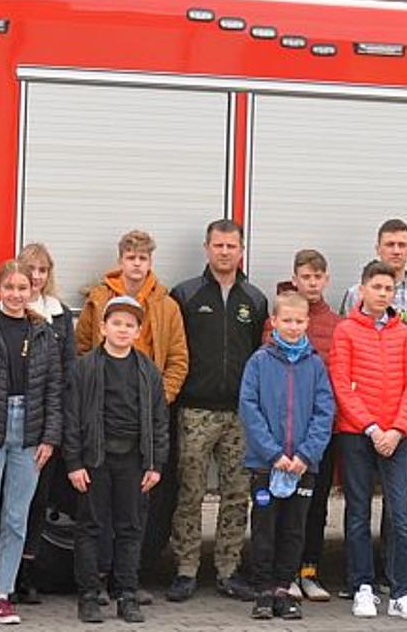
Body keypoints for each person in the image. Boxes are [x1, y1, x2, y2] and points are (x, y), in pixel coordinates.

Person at [168, 220, 270, 602]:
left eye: (231, 245)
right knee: (190, 493)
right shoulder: (185, 294)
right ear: (206, 248)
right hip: (196, 411)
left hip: (240, 415)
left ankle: (228, 569)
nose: (225, 252)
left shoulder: (254, 299)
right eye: (218, 245)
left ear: (241, 250)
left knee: (235, 493)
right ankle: (185, 570)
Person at [0, 262, 63, 626]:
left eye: (24, 287)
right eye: (10, 287)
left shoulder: (43, 333)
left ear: (32, 290)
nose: (17, 294)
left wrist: (49, 437)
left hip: (29, 430)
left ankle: (3, 594)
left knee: (16, 518)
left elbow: (54, 389)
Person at [329, 261, 407, 621]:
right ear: (363, 289)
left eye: (388, 288)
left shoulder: (402, 333)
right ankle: (362, 588)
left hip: (396, 437)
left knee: (400, 515)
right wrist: (371, 428)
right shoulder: (346, 331)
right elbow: (341, 384)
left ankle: (401, 591)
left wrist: (398, 430)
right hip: (358, 435)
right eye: (377, 287)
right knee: (358, 513)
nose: (383, 293)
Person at [64, 296, 170, 624]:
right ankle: (89, 595)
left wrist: (155, 464)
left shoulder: (147, 370)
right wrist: (74, 463)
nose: (122, 330)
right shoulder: (85, 368)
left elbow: (159, 421)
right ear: (102, 327)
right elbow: (71, 418)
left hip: (134, 461)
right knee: (91, 527)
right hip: (95, 458)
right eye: (116, 323)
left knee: (130, 528)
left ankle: (126, 593)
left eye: (130, 325)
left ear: (139, 331)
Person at [238, 292, 337, 621]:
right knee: (265, 527)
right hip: (268, 466)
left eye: (299, 321)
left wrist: (306, 455)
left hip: (303, 467)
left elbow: (325, 413)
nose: (293, 327)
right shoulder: (259, 362)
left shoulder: (315, 364)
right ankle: (263, 590)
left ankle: (284, 589)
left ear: (307, 323)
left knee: (295, 529)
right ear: (274, 323)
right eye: (287, 321)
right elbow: (249, 410)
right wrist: (273, 453)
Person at [13, 243, 77, 605]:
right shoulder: (11, 310)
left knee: (38, 502)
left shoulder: (59, 314)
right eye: (29, 269)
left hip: (49, 422)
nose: (35, 277)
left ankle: (26, 573)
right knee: (13, 502)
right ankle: (2, 571)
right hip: (16, 420)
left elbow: (68, 370)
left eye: (42, 270)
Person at [277, 250, 341, 603]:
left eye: (318, 277)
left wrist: (321, 429)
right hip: (284, 436)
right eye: (306, 276)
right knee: (280, 504)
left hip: (320, 435)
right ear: (295, 278)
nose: (312, 283)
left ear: (326, 280)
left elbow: (338, 382)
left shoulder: (337, 324)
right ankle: (280, 573)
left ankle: (309, 571)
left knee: (315, 504)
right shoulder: (280, 320)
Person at [76, 230, 190, 403]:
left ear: (150, 262)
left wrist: (162, 396)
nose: (137, 264)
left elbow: (178, 359)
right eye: (131, 257)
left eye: (142, 258)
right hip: (103, 397)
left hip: (147, 397)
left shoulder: (167, 306)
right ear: (120, 261)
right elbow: (81, 349)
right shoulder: (98, 299)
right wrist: (90, 390)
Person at [338, 220, 407, 333]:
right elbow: (344, 336)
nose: (396, 251)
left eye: (402, 245)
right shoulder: (356, 294)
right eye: (390, 245)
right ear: (378, 249)